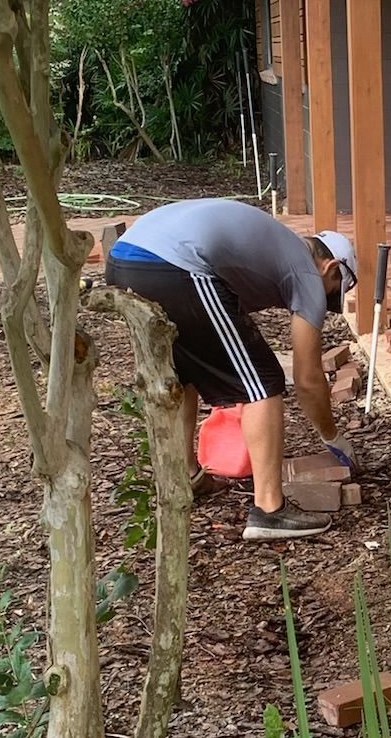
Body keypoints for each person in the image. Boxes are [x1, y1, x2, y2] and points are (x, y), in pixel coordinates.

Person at [106, 199, 357, 543]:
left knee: (186, 371)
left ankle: (185, 475)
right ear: (331, 267)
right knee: (262, 381)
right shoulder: (306, 271)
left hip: (123, 262)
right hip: (175, 266)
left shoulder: (272, 248)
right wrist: (333, 438)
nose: (323, 301)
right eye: (332, 292)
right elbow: (308, 378)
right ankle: (270, 510)